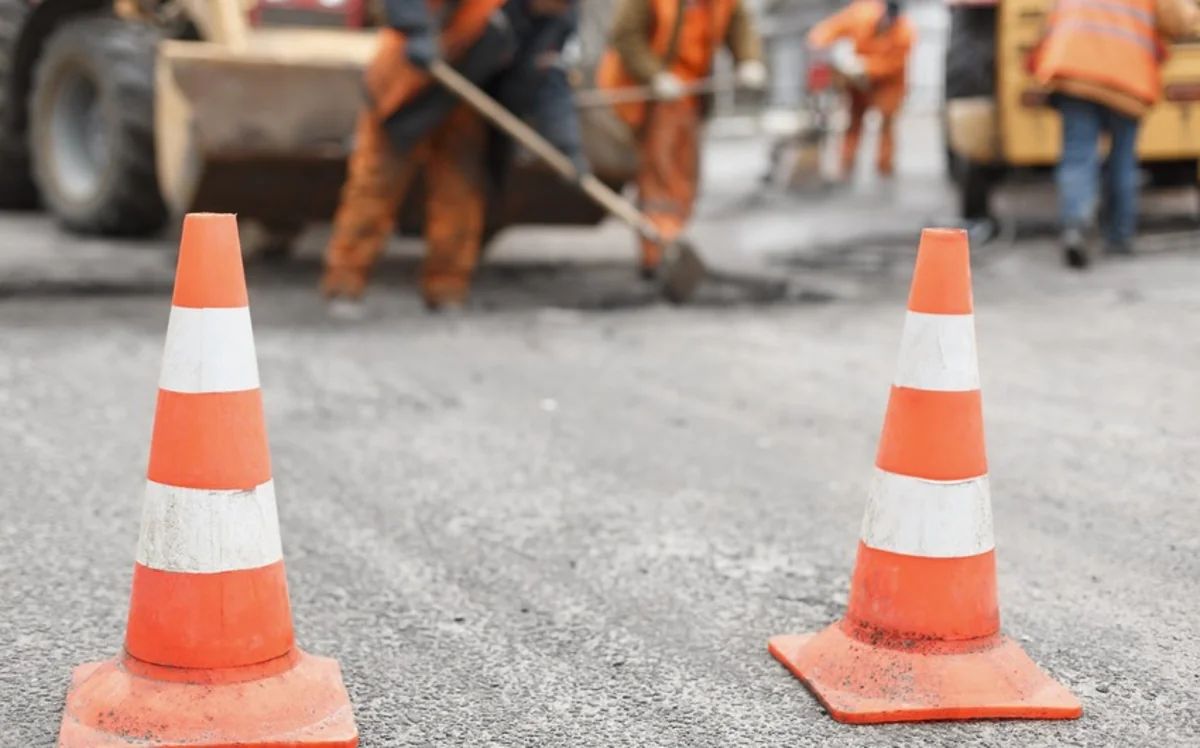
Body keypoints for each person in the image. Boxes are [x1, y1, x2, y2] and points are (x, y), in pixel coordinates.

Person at [320, 0, 587, 312]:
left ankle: (447, 290)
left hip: (461, 99)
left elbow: (549, 85)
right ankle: (344, 285)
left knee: (459, 196)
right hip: (408, 87)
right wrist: (418, 32)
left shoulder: (556, 22)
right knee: (376, 189)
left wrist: (568, 150)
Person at [597, 0, 768, 278]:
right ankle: (658, 254)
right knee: (661, 178)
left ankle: (671, 244)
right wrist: (655, 76)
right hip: (649, 97)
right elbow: (626, 37)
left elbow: (739, 25)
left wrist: (749, 60)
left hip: (689, 96)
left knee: (684, 178)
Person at [1031, 0, 1200, 268]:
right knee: (1122, 159)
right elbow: (1180, 20)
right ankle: (1118, 238)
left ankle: (1075, 225)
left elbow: (1050, 22)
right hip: (1127, 77)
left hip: (1075, 69)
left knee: (1078, 155)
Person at [806, 0, 915, 182]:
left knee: (887, 123)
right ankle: (846, 166)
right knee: (854, 122)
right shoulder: (861, 14)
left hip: (888, 84)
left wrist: (865, 66)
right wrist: (819, 41)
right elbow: (832, 27)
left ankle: (884, 168)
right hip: (858, 83)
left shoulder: (905, 32)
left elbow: (894, 63)